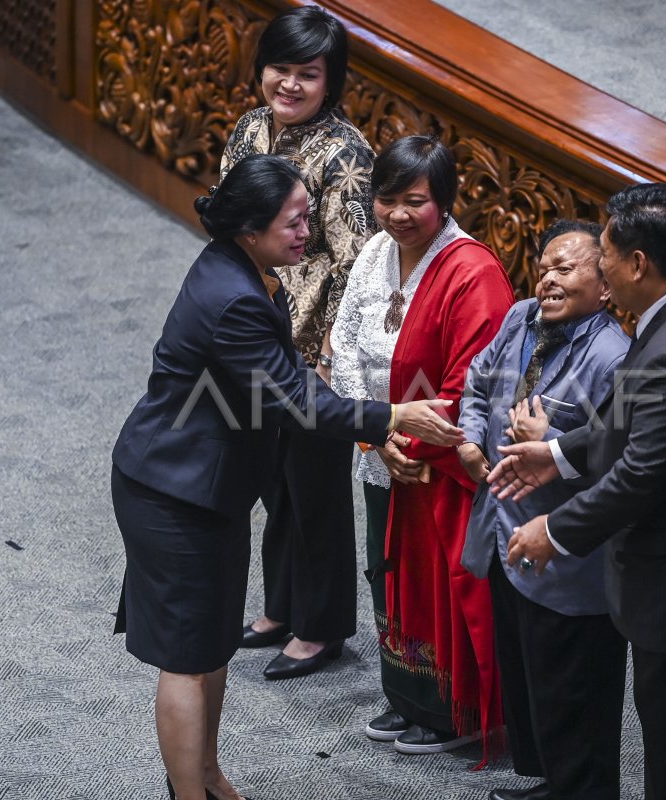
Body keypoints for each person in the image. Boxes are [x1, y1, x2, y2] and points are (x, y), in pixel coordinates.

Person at [110, 154, 462, 800]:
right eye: (296, 221)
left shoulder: (246, 268)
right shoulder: (232, 299)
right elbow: (298, 399)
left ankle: (207, 775)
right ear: (251, 226)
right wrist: (390, 416)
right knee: (188, 658)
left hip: (207, 487)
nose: (309, 232)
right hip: (171, 492)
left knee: (212, 643)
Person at [488, 183, 666, 799]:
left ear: (635, 265)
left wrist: (556, 529)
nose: (597, 265)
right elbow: (624, 426)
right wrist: (557, 454)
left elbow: (643, 470)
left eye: (602, 253)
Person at [330, 135, 514, 758]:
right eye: (386, 199)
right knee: (386, 580)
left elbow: (475, 385)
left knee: (441, 587)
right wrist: (372, 433)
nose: (398, 215)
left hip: (434, 466)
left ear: (445, 202)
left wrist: (402, 441)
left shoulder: (473, 271)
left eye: (415, 202)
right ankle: (407, 696)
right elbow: (345, 344)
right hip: (385, 452)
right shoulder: (377, 250)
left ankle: (451, 713)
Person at [219, 6, 376, 680]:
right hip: (257, 333)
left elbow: (358, 264)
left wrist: (327, 353)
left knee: (315, 489)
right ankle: (281, 607)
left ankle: (322, 625)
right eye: (279, 67)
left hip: (313, 348)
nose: (288, 83)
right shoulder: (249, 129)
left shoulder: (346, 154)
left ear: (331, 81)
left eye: (306, 74)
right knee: (272, 481)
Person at [457, 220, 631, 800]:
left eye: (565, 268)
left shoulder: (615, 358)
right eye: (544, 266)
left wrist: (553, 434)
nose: (548, 278)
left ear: (605, 287)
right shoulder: (519, 319)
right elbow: (479, 382)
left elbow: (626, 461)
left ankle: (582, 790)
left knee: (575, 687)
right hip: (508, 537)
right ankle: (555, 784)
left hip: (567, 553)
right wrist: (472, 440)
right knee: (532, 678)